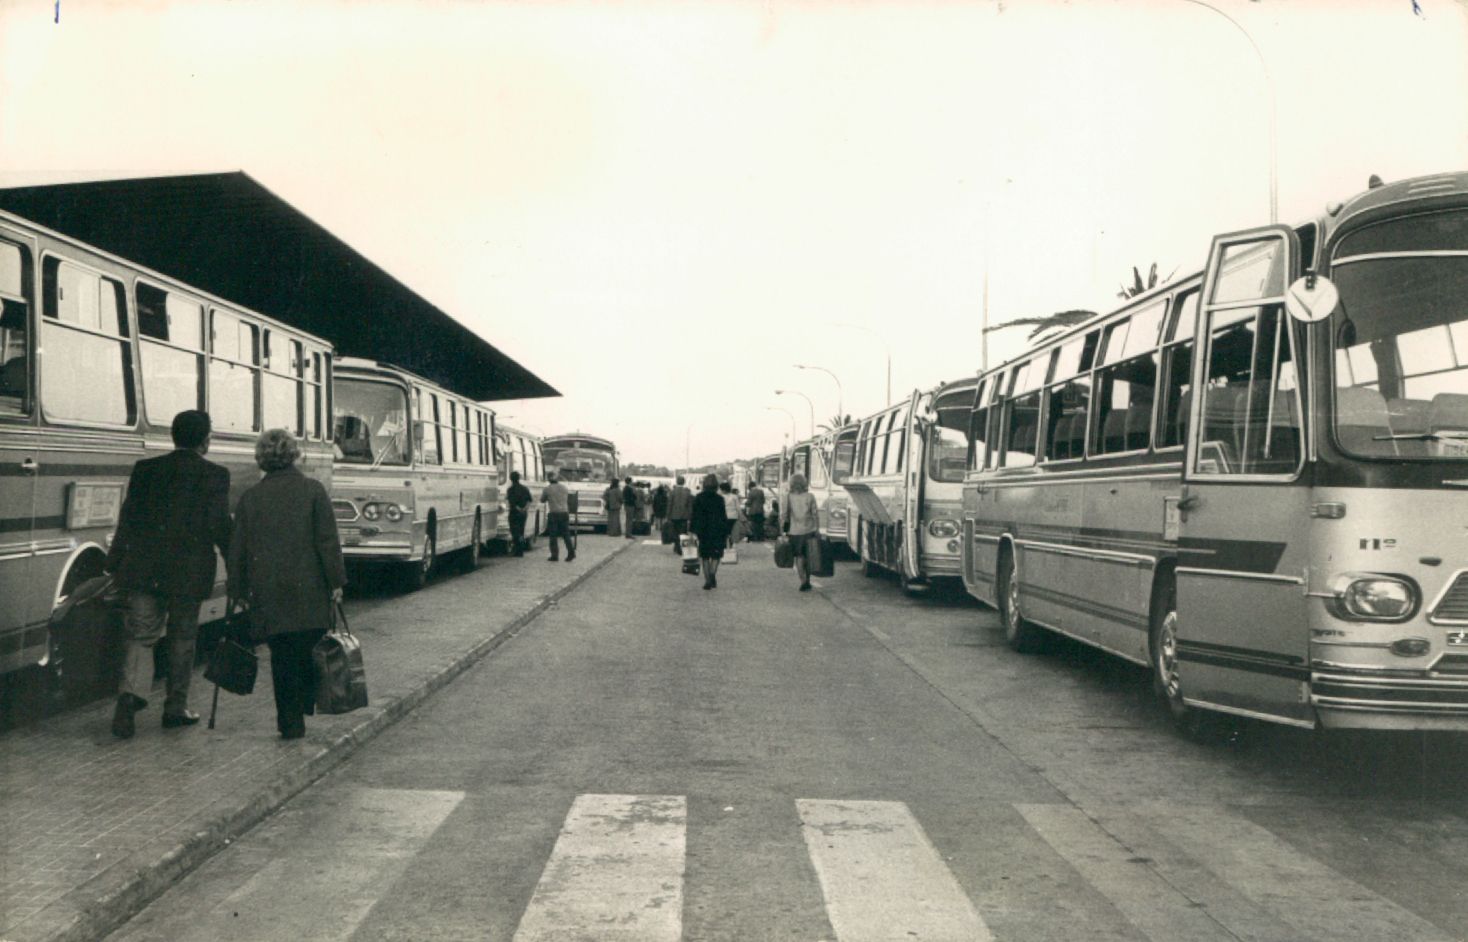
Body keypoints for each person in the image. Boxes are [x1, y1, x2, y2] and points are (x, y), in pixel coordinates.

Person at [107, 409, 232, 738]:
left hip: (145, 570)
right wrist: (237, 567)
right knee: (182, 639)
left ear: (174, 436)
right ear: (205, 440)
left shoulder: (146, 469)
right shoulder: (215, 475)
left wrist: (114, 563)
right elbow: (221, 528)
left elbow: (128, 519)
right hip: (189, 575)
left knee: (142, 636)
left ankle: (129, 700)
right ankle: (175, 709)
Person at [227, 429, 348, 740]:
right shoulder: (313, 491)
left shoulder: (251, 498)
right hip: (310, 589)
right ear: (294, 455)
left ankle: (289, 721)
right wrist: (336, 581)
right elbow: (327, 542)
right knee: (308, 651)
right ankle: (302, 709)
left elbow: (238, 548)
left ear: (262, 459)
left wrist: (237, 590)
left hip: (269, 592)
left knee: (281, 657)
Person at [781, 472, 821, 592]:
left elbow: (784, 515)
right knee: (808, 556)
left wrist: (782, 531)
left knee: (799, 557)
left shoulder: (788, 497)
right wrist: (817, 529)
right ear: (804, 483)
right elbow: (815, 515)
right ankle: (807, 580)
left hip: (794, 531)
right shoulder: (810, 496)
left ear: (791, 484)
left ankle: (802, 580)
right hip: (809, 530)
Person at [690, 473, 729, 589]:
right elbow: (723, 516)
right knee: (716, 556)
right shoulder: (719, 499)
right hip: (717, 530)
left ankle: (707, 580)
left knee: (705, 556)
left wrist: (692, 530)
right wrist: (726, 531)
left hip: (703, 530)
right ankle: (712, 575)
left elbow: (694, 516)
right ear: (716, 485)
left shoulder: (699, 497)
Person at [542, 471, 575, 562]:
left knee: (553, 536)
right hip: (564, 512)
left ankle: (554, 555)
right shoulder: (564, 487)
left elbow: (542, 500)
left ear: (548, 479)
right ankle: (571, 552)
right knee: (566, 534)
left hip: (554, 513)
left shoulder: (547, 489)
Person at [506, 470, 532, 556]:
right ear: (519, 478)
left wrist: (518, 508)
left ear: (511, 479)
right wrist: (524, 509)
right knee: (521, 531)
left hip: (514, 513)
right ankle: (521, 550)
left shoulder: (510, 490)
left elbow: (511, 503)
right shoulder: (525, 488)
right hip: (523, 514)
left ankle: (517, 550)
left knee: (514, 532)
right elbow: (529, 500)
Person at [667, 475, 694, 551]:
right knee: (683, 532)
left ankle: (676, 546)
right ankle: (681, 548)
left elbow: (669, 504)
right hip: (684, 515)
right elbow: (690, 505)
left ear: (676, 482)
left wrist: (668, 515)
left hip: (674, 515)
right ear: (684, 482)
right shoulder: (687, 492)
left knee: (675, 531)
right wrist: (690, 516)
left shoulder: (672, 492)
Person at [719, 481, 742, 547]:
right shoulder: (734, 496)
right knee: (731, 531)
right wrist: (740, 516)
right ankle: (730, 544)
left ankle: (725, 545)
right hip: (733, 517)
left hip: (723, 517)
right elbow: (738, 508)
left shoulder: (720, 497)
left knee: (724, 531)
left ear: (723, 489)